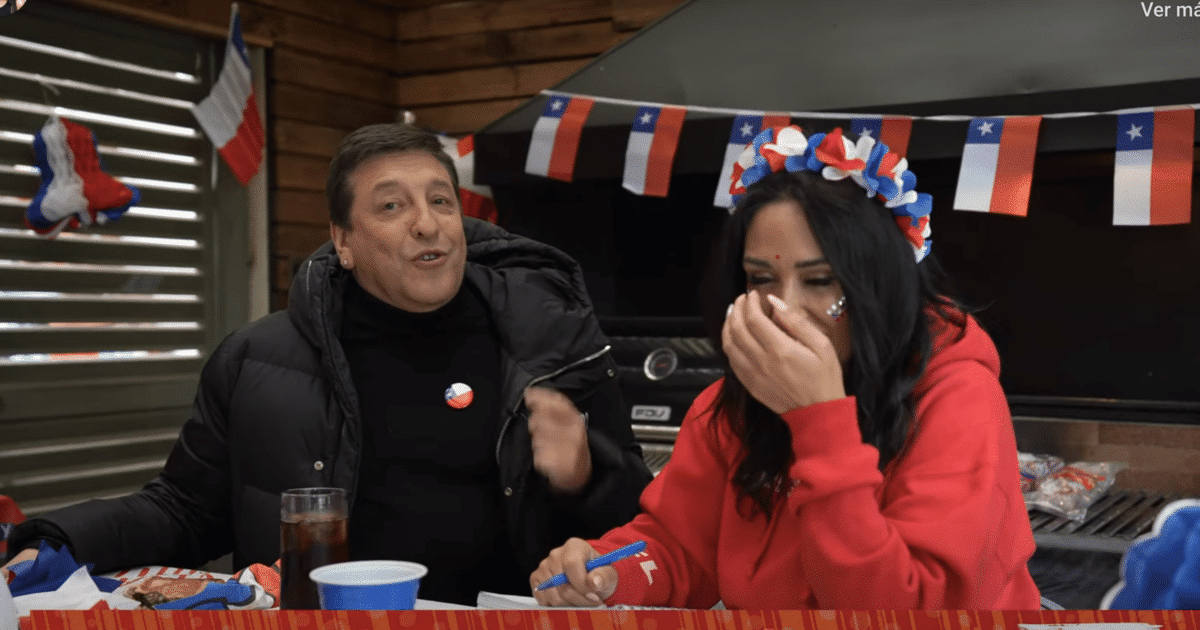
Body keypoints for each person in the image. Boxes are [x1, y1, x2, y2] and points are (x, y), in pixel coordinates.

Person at [2, 123, 653, 606]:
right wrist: (59, 539)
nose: (428, 224)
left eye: (441, 201)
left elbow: (644, 531)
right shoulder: (254, 358)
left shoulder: (551, 345)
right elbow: (186, 510)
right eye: (392, 206)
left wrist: (586, 475)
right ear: (343, 240)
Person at [530, 126, 1042, 609]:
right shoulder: (731, 405)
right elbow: (679, 547)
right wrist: (608, 571)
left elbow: (906, 610)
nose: (784, 309)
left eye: (819, 281)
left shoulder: (959, 396)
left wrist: (819, 420)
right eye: (761, 279)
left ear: (881, 282)